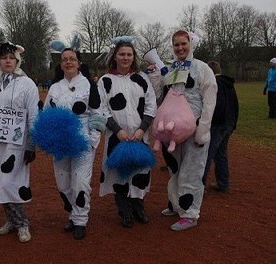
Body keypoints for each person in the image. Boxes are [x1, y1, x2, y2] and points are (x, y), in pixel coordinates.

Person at [43, 48, 105, 240]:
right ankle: (72, 213)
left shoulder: (89, 85)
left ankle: (80, 220)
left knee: (80, 181)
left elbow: (98, 113)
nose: (68, 62)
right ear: (60, 64)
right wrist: (48, 138)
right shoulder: (55, 87)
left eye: (72, 59)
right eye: (64, 60)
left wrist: (92, 140)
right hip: (60, 142)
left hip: (82, 140)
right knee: (63, 184)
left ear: (79, 63)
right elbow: (46, 113)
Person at [159, 30, 217, 231]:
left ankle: (190, 214)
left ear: (190, 44)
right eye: (176, 45)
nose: (180, 48)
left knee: (191, 172)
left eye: (184, 44)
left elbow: (210, 100)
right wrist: (153, 77)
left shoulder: (202, 68)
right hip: (174, 132)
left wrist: (203, 129)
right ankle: (177, 204)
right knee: (175, 169)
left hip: (194, 131)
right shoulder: (171, 68)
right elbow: (163, 96)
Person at [0, 42, 39, 243]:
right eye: (4, 58)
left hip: (18, 143)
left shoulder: (27, 84)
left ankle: (22, 223)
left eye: (11, 58)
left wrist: (32, 143)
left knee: (10, 182)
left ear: (17, 60)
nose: (8, 61)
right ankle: (11, 220)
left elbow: (33, 114)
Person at [97, 39, 157, 228]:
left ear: (134, 57)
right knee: (119, 173)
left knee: (140, 171)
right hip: (118, 137)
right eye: (122, 54)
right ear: (115, 56)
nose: (125, 58)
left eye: (129, 54)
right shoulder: (106, 80)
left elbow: (151, 104)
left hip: (140, 136)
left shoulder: (142, 78)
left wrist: (142, 129)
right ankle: (124, 211)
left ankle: (138, 208)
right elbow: (101, 108)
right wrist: (118, 131)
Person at [203, 61, 239, 192]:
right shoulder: (229, 84)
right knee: (221, 153)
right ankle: (223, 182)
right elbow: (235, 104)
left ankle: (200, 186)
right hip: (229, 123)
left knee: (206, 153)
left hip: (218, 124)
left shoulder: (215, 84)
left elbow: (215, 106)